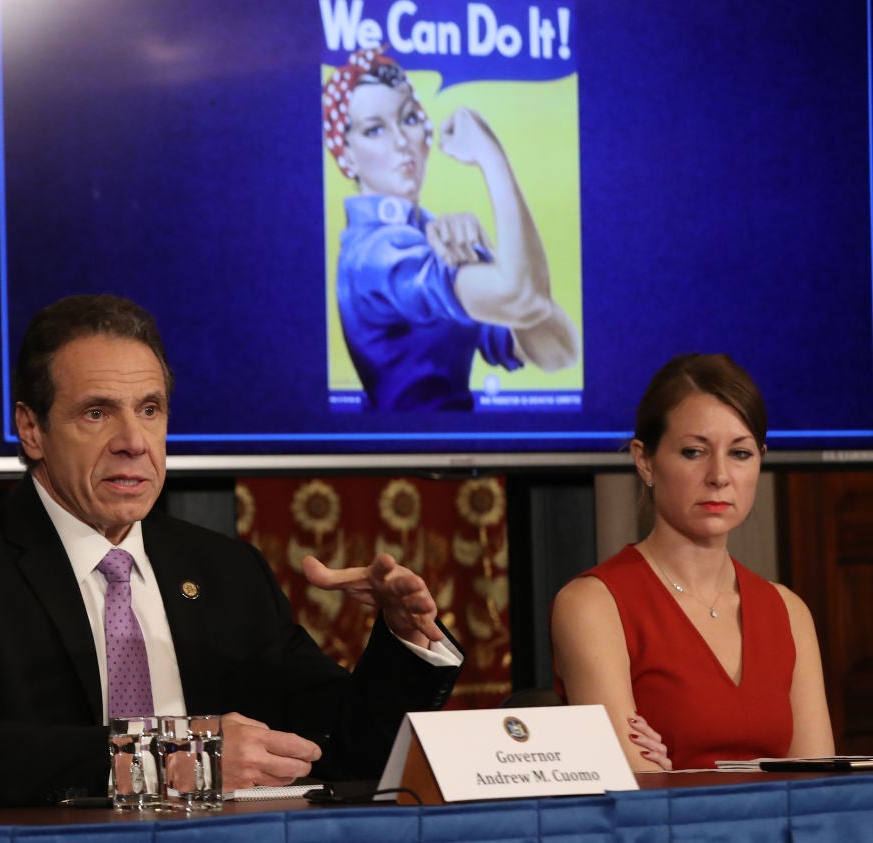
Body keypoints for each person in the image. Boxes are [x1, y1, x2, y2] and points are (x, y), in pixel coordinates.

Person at [0, 294, 463, 809]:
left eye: (150, 410)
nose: (133, 443)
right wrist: (170, 760)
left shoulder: (225, 570)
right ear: (31, 430)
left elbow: (340, 746)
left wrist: (403, 641)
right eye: (97, 412)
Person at [551, 353, 834, 771]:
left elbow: (819, 791)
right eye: (693, 451)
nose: (719, 475)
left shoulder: (789, 612)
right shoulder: (593, 604)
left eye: (740, 454)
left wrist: (675, 772)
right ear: (645, 460)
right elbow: (636, 789)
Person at [323, 48, 579, 411]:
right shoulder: (375, 254)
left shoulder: (426, 233)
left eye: (409, 118)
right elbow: (526, 297)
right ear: (346, 155)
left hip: (481, 447)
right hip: (399, 456)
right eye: (375, 129)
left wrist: (483, 260)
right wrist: (490, 154)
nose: (400, 141)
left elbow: (560, 352)